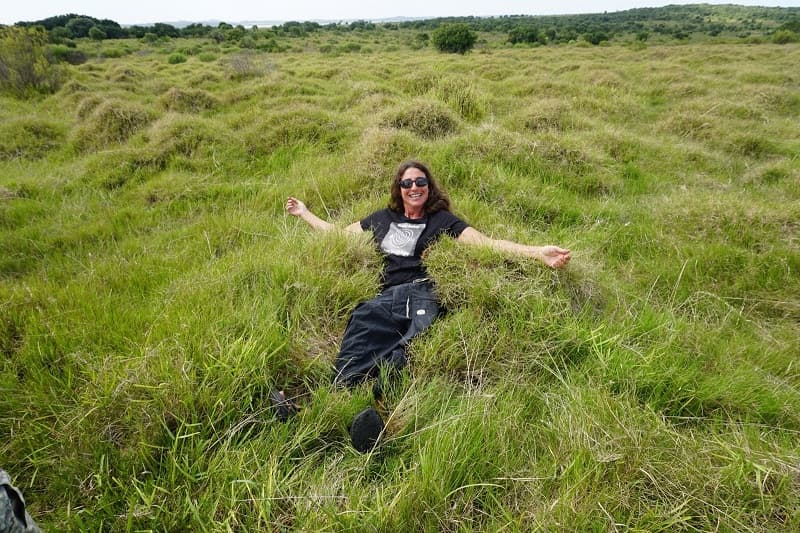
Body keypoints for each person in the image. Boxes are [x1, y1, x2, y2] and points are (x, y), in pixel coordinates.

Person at [280, 161, 571, 452]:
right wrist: (304, 213)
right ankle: (335, 411)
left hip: (423, 294)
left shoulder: (441, 220)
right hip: (388, 297)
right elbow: (340, 235)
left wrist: (538, 253)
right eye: (407, 183)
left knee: (404, 346)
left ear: (429, 187)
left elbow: (487, 243)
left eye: (420, 182)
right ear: (399, 189)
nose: (414, 188)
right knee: (365, 327)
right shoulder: (383, 218)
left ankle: (369, 414)